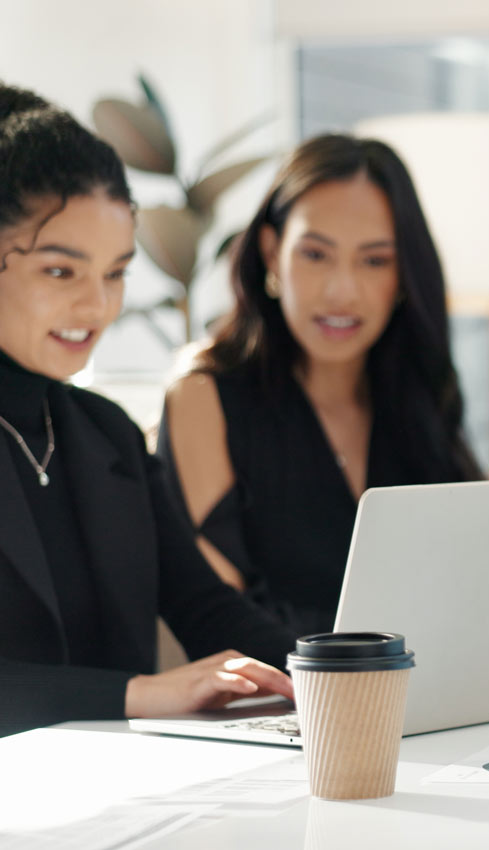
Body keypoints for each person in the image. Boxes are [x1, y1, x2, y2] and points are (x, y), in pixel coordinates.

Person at [0, 82, 295, 738]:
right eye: (60, 271)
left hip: (126, 797)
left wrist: (333, 672)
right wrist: (140, 694)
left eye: (115, 273)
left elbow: (204, 606)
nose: (97, 306)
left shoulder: (105, 432)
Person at [159, 135, 484, 637]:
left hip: (432, 693)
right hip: (285, 700)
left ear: (403, 277)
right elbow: (222, 617)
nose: (341, 291)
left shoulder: (415, 392)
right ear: (272, 253)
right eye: (315, 254)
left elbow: (469, 581)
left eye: (374, 261)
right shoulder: (203, 395)